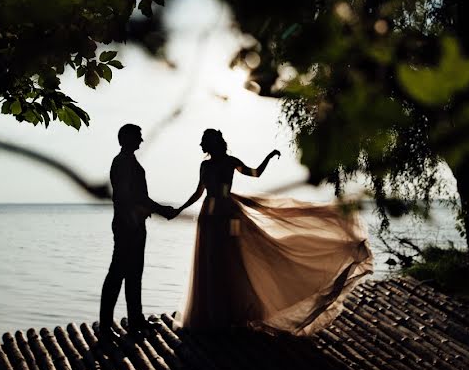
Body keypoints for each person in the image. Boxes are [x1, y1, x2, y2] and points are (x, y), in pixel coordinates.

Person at [175, 129, 373, 335]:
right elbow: (199, 191)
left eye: (203, 142)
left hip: (227, 215)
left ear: (212, 143)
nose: (200, 146)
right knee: (209, 260)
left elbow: (255, 173)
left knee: (228, 260)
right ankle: (210, 314)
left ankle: (228, 313)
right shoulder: (206, 165)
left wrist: (268, 158)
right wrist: (179, 209)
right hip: (209, 216)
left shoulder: (230, 161)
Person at [99, 124, 177, 340]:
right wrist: (161, 210)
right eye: (138, 137)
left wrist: (154, 211)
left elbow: (137, 196)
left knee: (134, 274)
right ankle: (105, 327)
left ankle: (135, 319)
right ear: (125, 137)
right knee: (117, 274)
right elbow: (128, 196)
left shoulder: (128, 161)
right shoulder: (122, 162)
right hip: (126, 225)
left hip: (135, 224)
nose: (141, 141)